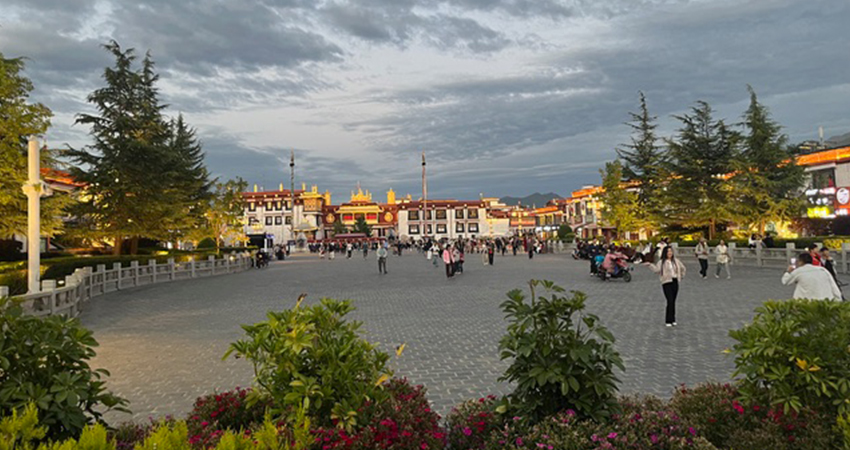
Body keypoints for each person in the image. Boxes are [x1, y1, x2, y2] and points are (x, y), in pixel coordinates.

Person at [645, 246, 687, 326]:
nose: (670, 253)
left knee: (673, 301)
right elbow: (657, 270)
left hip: (675, 281)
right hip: (666, 282)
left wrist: (681, 275)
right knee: (670, 300)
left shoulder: (676, 261)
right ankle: (668, 320)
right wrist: (650, 265)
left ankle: (673, 319)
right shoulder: (662, 262)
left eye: (671, 251)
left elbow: (683, 268)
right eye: (668, 252)